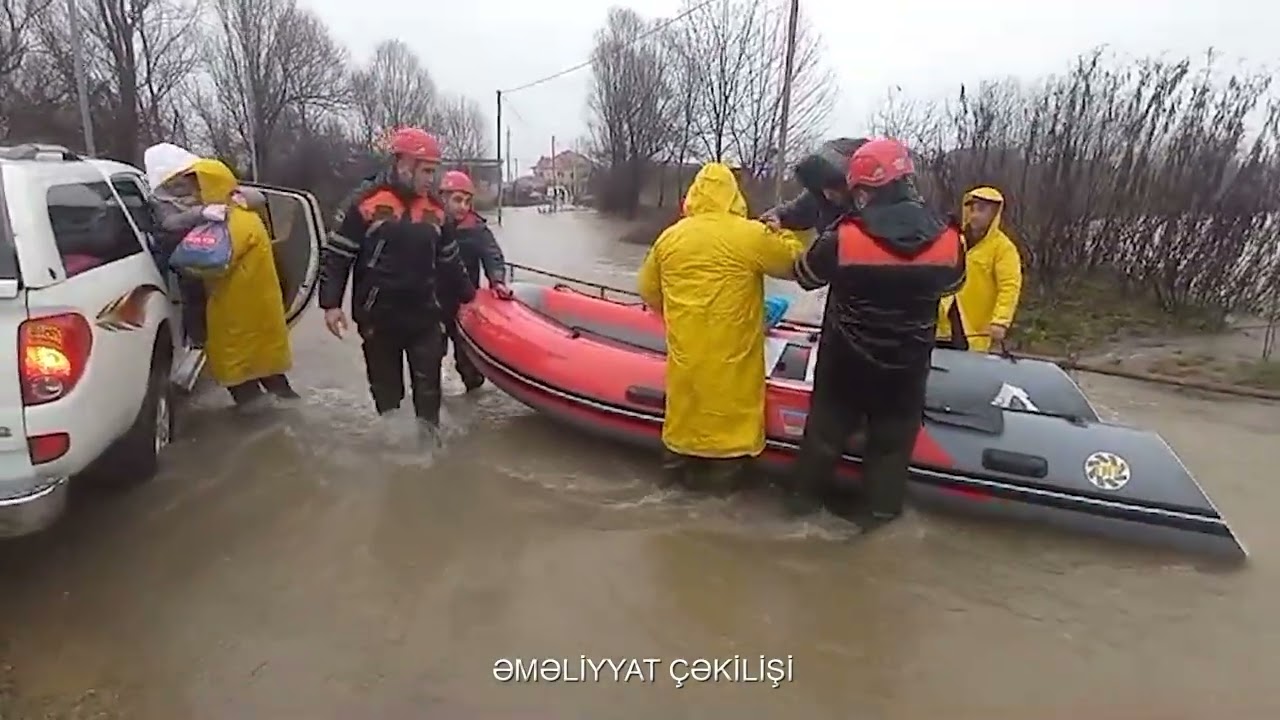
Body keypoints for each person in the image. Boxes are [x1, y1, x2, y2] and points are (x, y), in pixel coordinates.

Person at [785, 138, 966, 530]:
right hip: (906, 374)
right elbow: (953, 286)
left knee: (821, 447)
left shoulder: (843, 237)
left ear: (863, 191)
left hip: (844, 368)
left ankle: (799, 514)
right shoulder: (950, 239)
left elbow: (805, 276)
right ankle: (878, 527)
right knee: (889, 456)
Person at [637, 163, 804, 494]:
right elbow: (794, 264)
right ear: (734, 196)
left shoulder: (670, 237)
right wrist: (783, 231)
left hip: (686, 380)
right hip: (732, 387)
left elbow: (648, 291)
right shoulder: (749, 235)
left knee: (673, 477)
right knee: (719, 491)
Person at [318, 127, 475, 430]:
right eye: (426, 170)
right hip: (379, 318)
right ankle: (392, 449)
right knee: (388, 397)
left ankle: (429, 452)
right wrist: (330, 304)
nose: (432, 179)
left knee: (429, 395)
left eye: (434, 171)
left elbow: (451, 262)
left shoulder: (436, 210)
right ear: (403, 164)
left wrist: (471, 298)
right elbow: (338, 255)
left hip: (425, 317)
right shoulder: (365, 202)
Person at [182, 158, 300, 407]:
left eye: (197, 188)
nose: (193, 196)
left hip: (239, 315)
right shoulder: (243, 218)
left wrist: (181, 259)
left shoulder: (230, 224)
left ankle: (266, 431)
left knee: (241, 380)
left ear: (211, 187)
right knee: (267, 370)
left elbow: (210, 263)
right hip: (251, 312)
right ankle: (282, 421)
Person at [438, 170, 511, 391]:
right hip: (433, 304)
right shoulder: (429, 224)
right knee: (430, 359)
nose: (463, 206)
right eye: (457, 200)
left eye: (467, 201)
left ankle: (473, 394)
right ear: (443, 198)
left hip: (465, 302)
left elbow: (492, 255)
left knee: (469, 366)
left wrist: (497, 280)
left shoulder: (477, 229)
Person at [936, 186, 1023, 352]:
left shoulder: (1003, 248)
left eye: (981, 210)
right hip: (943, 320)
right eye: (972, 209)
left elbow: (1009, 287)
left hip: (974, 327)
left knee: (969, 370)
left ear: (994, 214)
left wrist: (1000, 321)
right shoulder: (955, 240)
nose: (974, 215)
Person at [760, 137, 869, 233]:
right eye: (822, 188)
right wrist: (776, 216)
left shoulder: (877, 203)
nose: (828, 195)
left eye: (833, 186)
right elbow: (794, 212)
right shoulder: (818, 198)